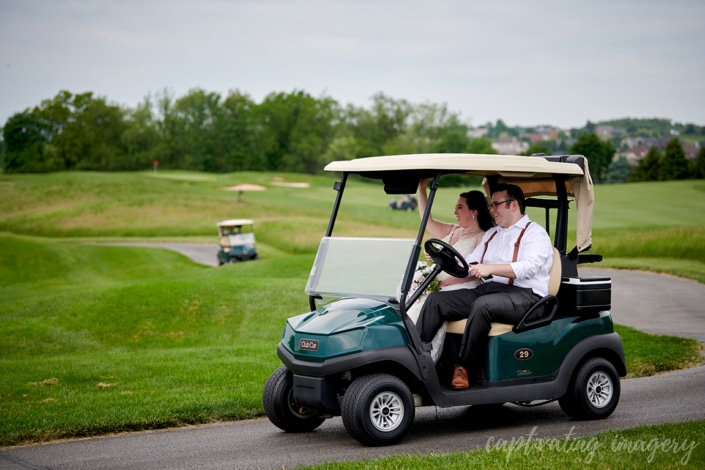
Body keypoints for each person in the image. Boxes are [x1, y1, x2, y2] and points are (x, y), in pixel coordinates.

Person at [416, 183, 553, 390]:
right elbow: (469, 263)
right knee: (437, 301)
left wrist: (490, 269)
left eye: (496, 204)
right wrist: (441, 259)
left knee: (483, 305)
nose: (492, 209)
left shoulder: (535, 234)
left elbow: (529, 268)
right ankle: (418, 360)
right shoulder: (493, 235)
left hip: (527, 297)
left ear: (513, 205)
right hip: (491, 292)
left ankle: (463, 368)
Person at [406, 178, 495, 363]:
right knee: (406, 295)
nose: (454, 212)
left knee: (426, 302)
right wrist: (421, 188)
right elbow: (426, 221)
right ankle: (402, 349)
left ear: (474, 212)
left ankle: (418, 357)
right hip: (441, 280)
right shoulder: (455, 230)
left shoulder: (483, 237)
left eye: (459, 207)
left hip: (463, 286)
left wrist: (445, 282)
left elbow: (474, 271)